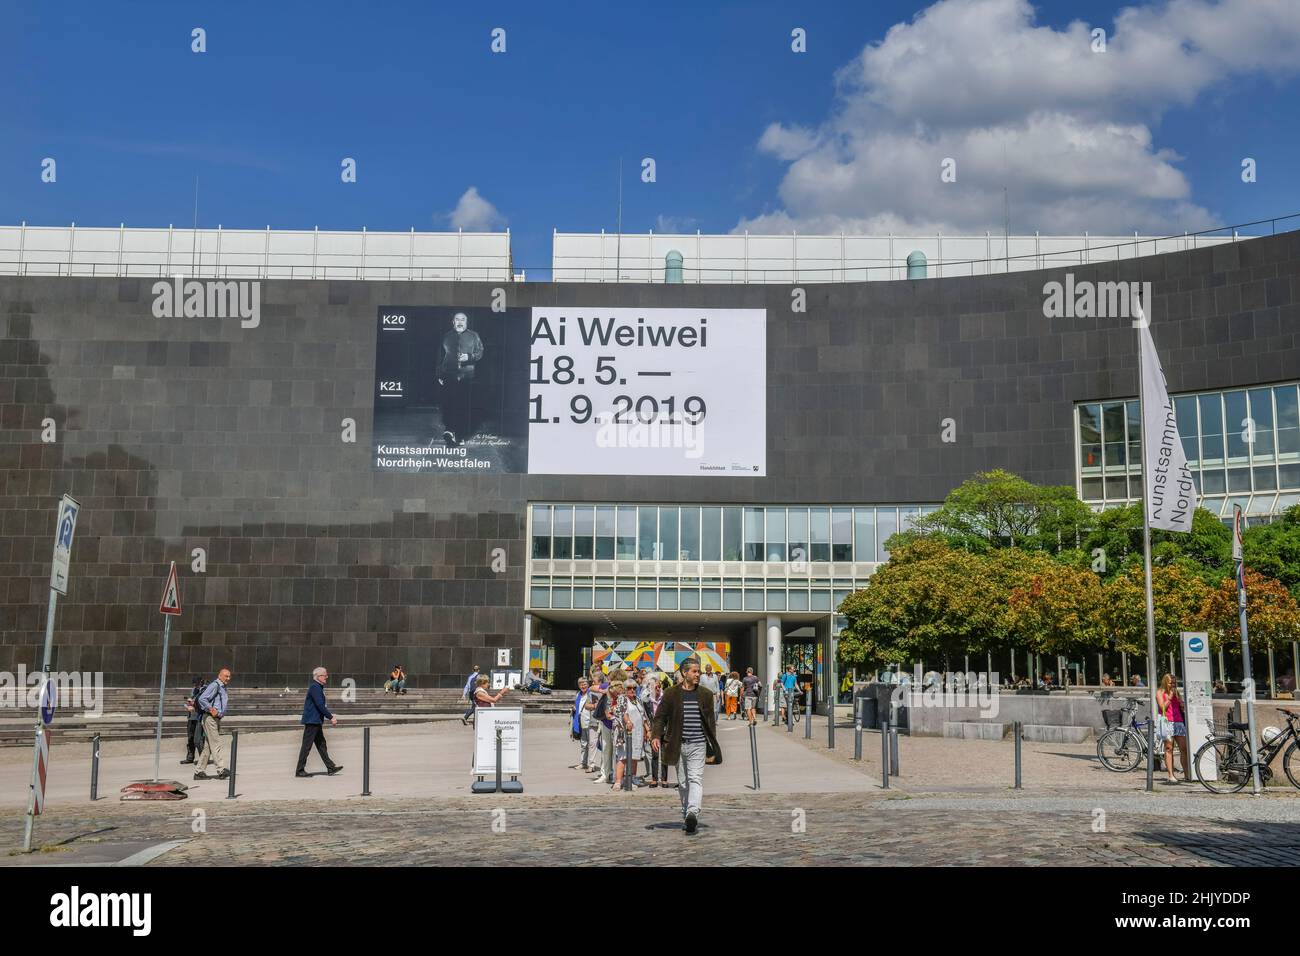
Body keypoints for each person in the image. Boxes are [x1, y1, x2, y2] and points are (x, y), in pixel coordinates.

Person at [651, 657, 721, 835]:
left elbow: (710, 723)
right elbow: (660, 717)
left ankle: (692, 812)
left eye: (698, 671)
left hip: (698, 744)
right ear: (684, 673)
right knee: (682, 783)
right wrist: (656, 736)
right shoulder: (671, 693)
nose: (698, 675)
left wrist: (711, 745)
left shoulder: (705, 694)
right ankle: (686, 816)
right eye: (694, 671)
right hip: (677, 744)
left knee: (695, 779)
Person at [436, 311, 484, 446]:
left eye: (463, 319)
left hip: (466, 376)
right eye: (457, 319)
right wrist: (439, 374)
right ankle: (449, 431)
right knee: (448, 404)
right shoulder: (446, 336)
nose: (460, 321)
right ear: (453, 322)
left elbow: (480, 352)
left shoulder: (474, 336)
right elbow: (439, 356)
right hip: (448, 375)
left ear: (466, 322)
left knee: (463, 406)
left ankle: (460, 435)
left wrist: (469, 357)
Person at [297, 666, 343, 777]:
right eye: (325, 675)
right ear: (319, 676)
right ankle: (299, 770)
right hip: (312, 721)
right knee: (306, 746)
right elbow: (319, 705)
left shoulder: (318, 687)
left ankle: (330, 767)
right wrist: (331, 717)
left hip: (316, 721)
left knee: (321, 745)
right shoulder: (315, 687)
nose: (327, 677)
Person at [193, 668, 232, 781]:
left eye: (229, 676)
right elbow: (202, 699)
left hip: (215, 718)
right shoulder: (215, 685)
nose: (228, 679)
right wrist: (211, 709)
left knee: (208, 747)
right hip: (210, 718)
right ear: (220, 675)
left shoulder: (222, 687)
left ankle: (199, 771)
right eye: (226, 676)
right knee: (216, 743)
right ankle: (221, 770)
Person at [1156, 673, 1191, 784]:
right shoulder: (1160, 692)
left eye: (1175, 683)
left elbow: (1181, 706)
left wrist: (1182, 704)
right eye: (1171, 682)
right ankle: (1171, 775)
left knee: (1184, 748)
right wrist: (1170, 698)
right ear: (1165, 682)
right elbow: (1162, 707)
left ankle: (1187, 774)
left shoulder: (1176, 692)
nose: (1173, 685)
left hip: (1178, 721)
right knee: (1169, 748)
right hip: (1167, 721)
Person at [613, 681, 647, 791]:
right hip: (625, 733)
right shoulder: (622, 698)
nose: (632, 690)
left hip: (638, 733)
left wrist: (648, 730)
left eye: (634, 688)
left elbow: (644, 716)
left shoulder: (638, 700)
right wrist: (628, 722)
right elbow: (623, 713)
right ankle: (618, 781)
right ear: (624, 689)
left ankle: (631, 779)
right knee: (623, 757)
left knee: (634, 757)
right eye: (629, 688)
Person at [645, 680, 670, 788]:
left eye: (659, 687)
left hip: (664, 728)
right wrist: (648, 730)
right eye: (656, 687)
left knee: (664, 755)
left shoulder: (666, 699)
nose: (658, 689)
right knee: (654, 755)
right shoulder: (647, 701)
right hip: (653, 729)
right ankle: (654, 779)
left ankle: (664, 779)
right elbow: (645, 717)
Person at [180, 675, 205, 764]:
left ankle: (203, 758)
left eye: (197, 684)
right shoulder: (194, 690)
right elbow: (193, 701)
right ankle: (190, 757)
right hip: (191, 717)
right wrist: (189, 704)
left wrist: (194, 705)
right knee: (190, 738)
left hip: (199, 717)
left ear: (201, 682)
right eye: (194, 684)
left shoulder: (204, 690)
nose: (195, 686)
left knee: (198, 739)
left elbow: (203, 704)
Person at [571, 678, 591, 769]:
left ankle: (591, 764)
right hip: (581, 722)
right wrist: (574, 708)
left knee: (592, 744)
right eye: (581, 685)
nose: (583, 686)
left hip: (590, 722)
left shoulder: (590, 694)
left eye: (585, 684)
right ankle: (583, 763)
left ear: (588, 685)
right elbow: (577, 705)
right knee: (583, 744)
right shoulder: (578, 694)